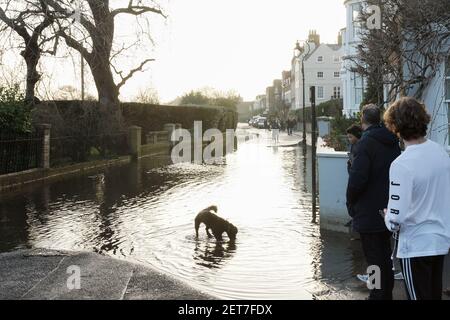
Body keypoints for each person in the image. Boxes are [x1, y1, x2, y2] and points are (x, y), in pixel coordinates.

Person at [383, 97, 450, 300]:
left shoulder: (401, 164)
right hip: (440, 241)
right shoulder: (441, 153)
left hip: (415, 246)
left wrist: (387, 216)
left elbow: (396, 219)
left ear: (396, 126)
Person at [346, 104, 401, 300]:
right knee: (385, 256)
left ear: (363, 120)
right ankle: (386, 294)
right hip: (387, 209)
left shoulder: (365, 143)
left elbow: (357, 180)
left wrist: (350, 202)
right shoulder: (393, 141)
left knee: (373, 259)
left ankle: (377, 294)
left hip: (368, 210)